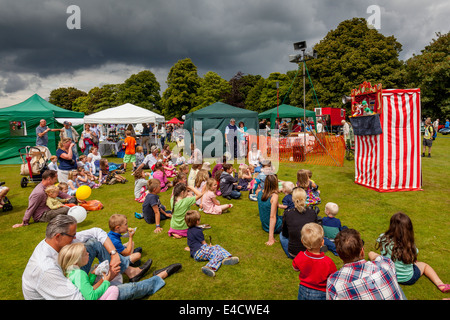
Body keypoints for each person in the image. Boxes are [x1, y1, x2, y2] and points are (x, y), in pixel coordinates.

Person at [22, 214, 182, 300]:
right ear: (58, 236)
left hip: (71, 282)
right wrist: (105, 281)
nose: (76, 237)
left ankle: (130, 271)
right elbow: (83, 298)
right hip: (70, 296)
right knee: (116, 291)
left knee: (92, 243)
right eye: (72, 235)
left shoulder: (56, 243)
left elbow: (97, 232)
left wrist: (113, 255)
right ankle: (157, 279)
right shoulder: (46, 269)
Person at [369, 212, 450, 293]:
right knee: (425, 266)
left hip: (387, 275)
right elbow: (414, 256)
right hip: (407, 279)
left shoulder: (383, 237)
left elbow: (382, 251)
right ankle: (440, 284)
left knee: (371, 253)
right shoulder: (410, 245)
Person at [326, 228, 404, 300]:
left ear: (339, 255)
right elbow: (378, 257)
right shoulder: (386, 264)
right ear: (362, 251)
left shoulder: (334, 283)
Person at [185, 210, 239, 277]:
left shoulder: (189, 230)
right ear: (197, 221)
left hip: (196, 253)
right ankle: (209, 267)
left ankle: (227, 258)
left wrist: (190, 249)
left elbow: (191, 243)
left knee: (217, 246)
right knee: (217, 254)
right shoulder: (198, 231)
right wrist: (209, 246)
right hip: (199, 252)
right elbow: (204, 243)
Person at [292, 223, 337, 300]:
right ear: (322, 242)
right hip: (320, 292)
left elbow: (295, 268)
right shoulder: (328, 262)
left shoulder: (300, 256)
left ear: (302, 241)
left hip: (303, 289)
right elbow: (334, 277)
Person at [280, 188, 319, 258]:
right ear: (305, 198)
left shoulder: (287, 213)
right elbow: (316, 230)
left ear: (292, 199)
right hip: (311, 249)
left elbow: (285, 233)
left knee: (281, 236)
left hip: (294, 253)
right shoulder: (312, 212)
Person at [257, 174, 282, 246]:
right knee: (291, 218)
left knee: (283, 216)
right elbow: (272, 217)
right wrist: (271, 238)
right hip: (274, 226)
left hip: (264, 225)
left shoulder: (259, 192)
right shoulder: (274, 196)